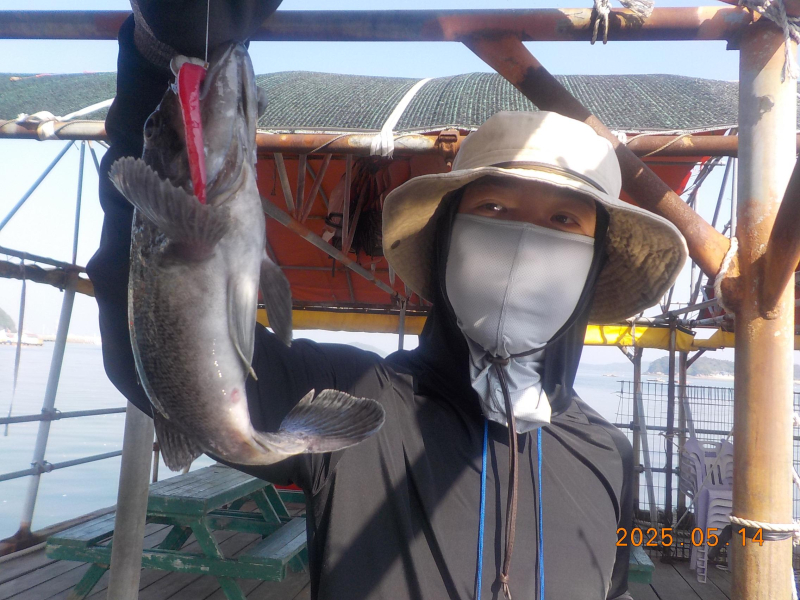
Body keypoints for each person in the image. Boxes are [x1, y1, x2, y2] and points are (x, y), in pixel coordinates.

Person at [87, 4, 688, 599]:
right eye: (495, 209)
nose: (525, 241)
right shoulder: (352, 391)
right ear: (446, 241)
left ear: (595, 262)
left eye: (563, 220)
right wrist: (159, 54)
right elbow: (143, 327)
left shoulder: (611, 454)